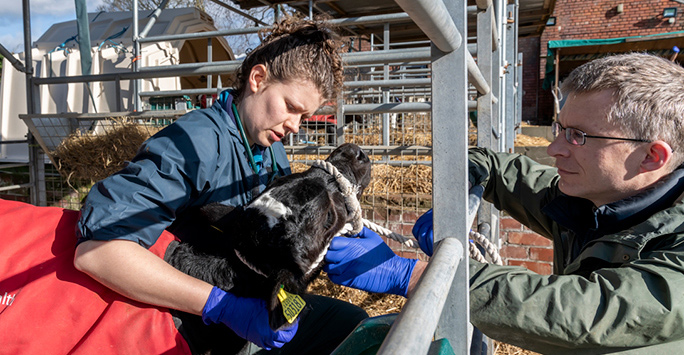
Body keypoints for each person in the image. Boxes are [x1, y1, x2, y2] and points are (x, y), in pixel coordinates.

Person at [324, 53, 684, 354]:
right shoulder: (600, 199)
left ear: (651, 156)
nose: (553, 148)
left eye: (578, 137)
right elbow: (505, 171)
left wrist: (419, 277)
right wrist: (462, 180)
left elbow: (589, 311)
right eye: (560, 128)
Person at [74, 18, 367, 354]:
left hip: (238, 308)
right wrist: (222, 306)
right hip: (178, 323)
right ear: (258, 80)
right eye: (291, 108)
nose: (295, 126)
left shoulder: (270, 150)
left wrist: (337, 245)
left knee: (349, 323)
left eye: (305, 116)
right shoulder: (194, 144)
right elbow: (98, 251)